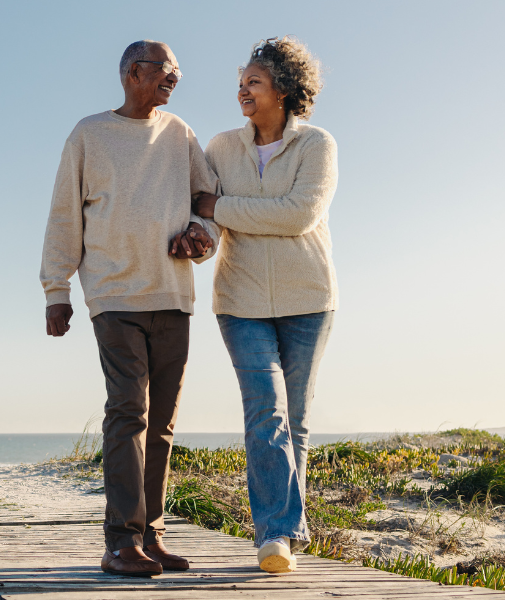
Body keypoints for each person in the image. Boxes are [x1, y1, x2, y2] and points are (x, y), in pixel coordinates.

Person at [40, 40, 219, 578]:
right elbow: (64, 214)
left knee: (160, 423)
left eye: (178, 71)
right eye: (167, 70)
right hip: (114, 297)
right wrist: (56, 290)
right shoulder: (89, 134)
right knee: (128, 413)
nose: (175, 78)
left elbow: (206, 197)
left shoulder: (180, 133)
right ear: (132, 72)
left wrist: (201, 232)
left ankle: (151, 536)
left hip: (173, 294)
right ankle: (119, 541)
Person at [191, 36, 337, 575]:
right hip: (241, 298)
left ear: (283, 87)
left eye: (253, 81)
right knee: (266, 412)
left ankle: (287, 534)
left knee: (294, 420)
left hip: (309, 299)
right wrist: (202, 232)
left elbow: (298, 214)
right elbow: (204, 215)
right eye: (240, 82)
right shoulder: (220, 148)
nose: (242, 91)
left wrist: (223, 206)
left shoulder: (317, 145)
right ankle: (274, 535)